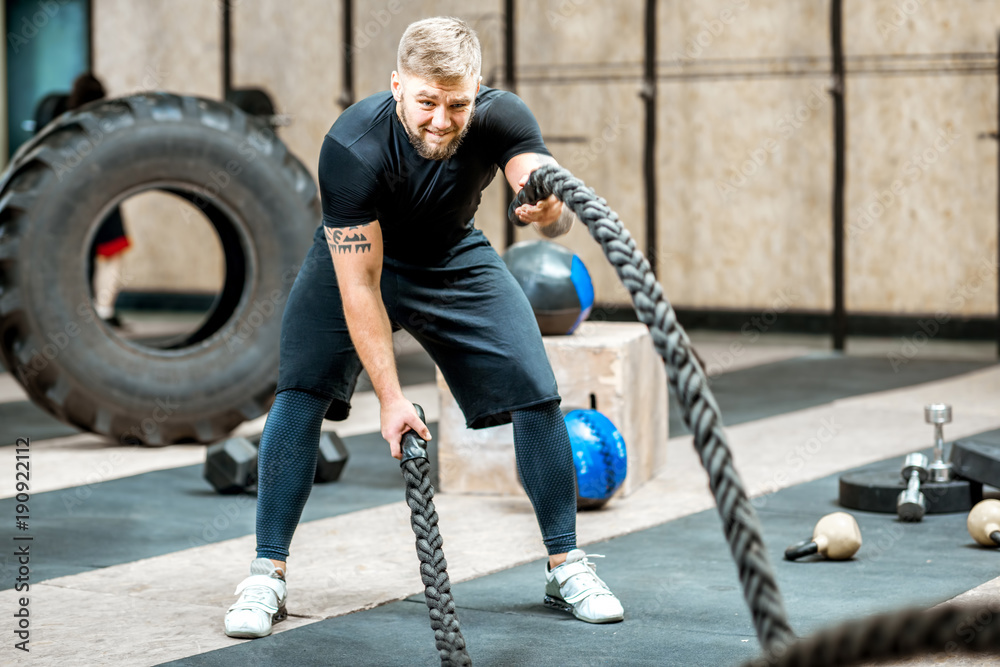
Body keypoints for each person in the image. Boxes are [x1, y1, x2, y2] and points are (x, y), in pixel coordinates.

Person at [223, 16, 624, 639]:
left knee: (536, 389)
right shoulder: (352, 146)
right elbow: (360, 287)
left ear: (478, 89)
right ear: (396, 86)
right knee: (301, 389)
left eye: (457, 104)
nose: (442, 119)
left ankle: (565, 563)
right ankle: (266, 573)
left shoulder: (501, 117)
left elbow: (541, 196)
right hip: (354, 260)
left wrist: (548, 210)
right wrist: (389, 398)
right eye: (426, 102)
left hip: (452, 255)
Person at [67, 73, 131, 326]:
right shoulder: (107, 123)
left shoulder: (67, 125)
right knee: (112, 256)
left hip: (74, 201)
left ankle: (79, 312)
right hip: (104, 197)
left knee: (80, 256)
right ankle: (103, 310)